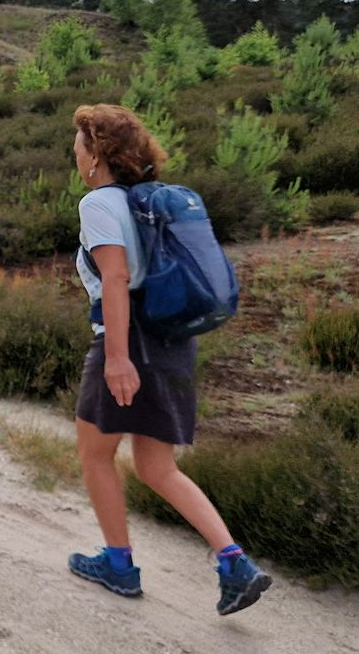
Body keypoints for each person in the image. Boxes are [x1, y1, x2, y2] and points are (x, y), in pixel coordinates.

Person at [68, 103, 273, 616]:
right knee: (158, 467)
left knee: (95, 453)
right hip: (171, 342)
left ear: (96, 156)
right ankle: (234, 563)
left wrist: (116, 358)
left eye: (78, 145)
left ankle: (119, 564)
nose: (73, 153)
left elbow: (115, 279)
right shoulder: (149, 201)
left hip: (127, 341)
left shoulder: (99, 204)